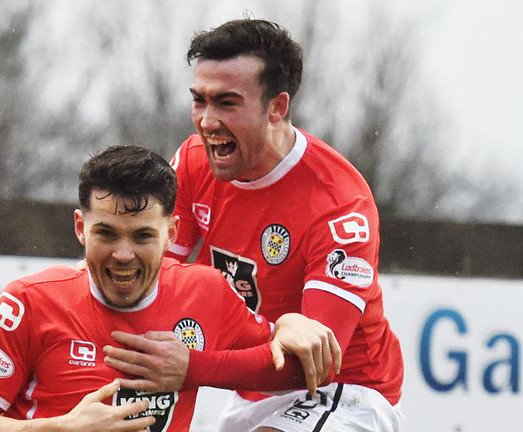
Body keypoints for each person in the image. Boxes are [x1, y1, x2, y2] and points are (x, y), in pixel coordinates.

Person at [103, 19, 404, 431]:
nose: (207, 121)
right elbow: (152, 280)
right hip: (253, 389)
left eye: (226, 103)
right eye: (199, 101)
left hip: (346, 390)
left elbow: (310, 368)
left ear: (277, 108)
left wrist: (191, 366)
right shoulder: (193, 161)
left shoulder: (339, 205)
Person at [0, 145, 341, 432]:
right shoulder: (29, 301)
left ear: (171, 234)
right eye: (106, 234)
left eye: (143, 236)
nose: (123, 254)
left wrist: (287, 325)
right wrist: (59, 430)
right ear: (80, 227)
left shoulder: (206, 292)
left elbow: (289, 371)